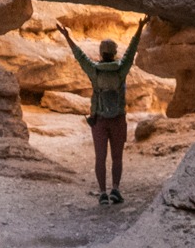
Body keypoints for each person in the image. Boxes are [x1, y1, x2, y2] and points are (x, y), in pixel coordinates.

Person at [58, 18, 145, 205]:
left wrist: (67, 36)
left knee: (100, 158)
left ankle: (102, 193)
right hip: (118, 119)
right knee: (117, 157)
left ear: (100, 52)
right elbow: (131, 52)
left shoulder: (94, 71)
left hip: (98, 120)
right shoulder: (121, 69)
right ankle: (115, 189)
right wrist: (139, 28)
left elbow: (79, 56)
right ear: (114, 53)